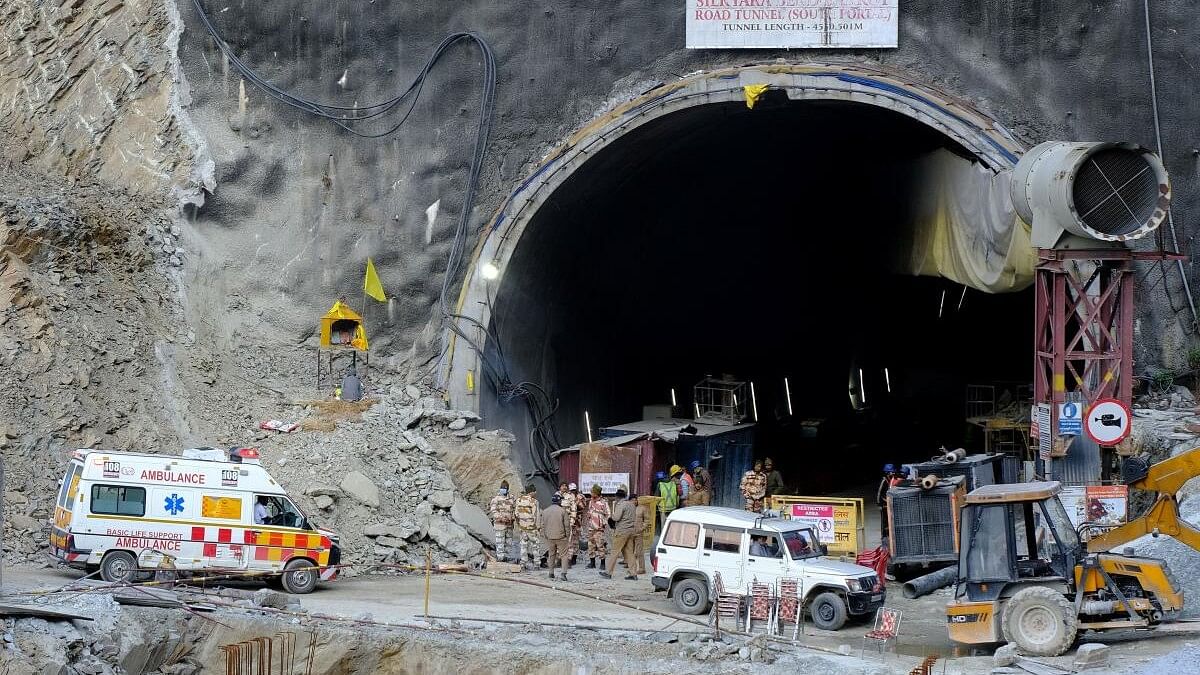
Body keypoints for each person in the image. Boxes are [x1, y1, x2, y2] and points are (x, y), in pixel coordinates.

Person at [602, 486, 638, 580]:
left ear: (617, 497)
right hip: (631, 531)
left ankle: (608, 572)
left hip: (622, 531)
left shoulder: (621, 505)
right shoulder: (631, 504)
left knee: (614, 551)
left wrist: (610, 518)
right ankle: (633, 573)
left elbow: (616, 518)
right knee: (629, 553)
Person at [541, 493, 571, 580]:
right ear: (559, 501)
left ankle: (551, 573)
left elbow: (542, 525)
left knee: (551, 555)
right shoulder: (563, 511)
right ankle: (563, 574)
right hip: (561, 537)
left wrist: (545, 535)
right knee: (564, 555)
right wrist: (567, 536)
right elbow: (567, 526)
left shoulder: (545, 511)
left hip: (550, 537)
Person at [514, 484, 542, 570]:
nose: (536, 492)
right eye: (534, 491)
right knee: (535, 546)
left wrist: (520, 524)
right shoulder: (534, 501)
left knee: (523, 546)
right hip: (532, 528)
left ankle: (523, 564)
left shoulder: (519, 500)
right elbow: (536, 515)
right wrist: (538, 527)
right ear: (531, 492)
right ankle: (537, 564)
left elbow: (516, 514)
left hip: (522, 527)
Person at [488, 480, 516, 562]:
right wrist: (501, 518)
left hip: (509, 525)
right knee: (500, 543)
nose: (503, 489)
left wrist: (512, 517)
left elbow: (515, 510)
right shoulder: (496, 499)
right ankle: (500, 560)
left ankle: (507, 559)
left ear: (507, 489)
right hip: (500, 525)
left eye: (505, 488)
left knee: (509, 543)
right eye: (502, 488)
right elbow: (493, 511)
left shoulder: (512, 499)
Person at [585, 485, 610, 569]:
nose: (591, 494)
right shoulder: (591, 502)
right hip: (591, 528)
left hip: (599, 529)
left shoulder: (603, 502)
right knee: (590, 545)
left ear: (596, 493)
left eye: (592, 492)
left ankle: (603, 564)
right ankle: (592, 563)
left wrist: (603, 524)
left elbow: (608, 514)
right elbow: (589, 511)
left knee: (600, 546)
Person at [877, 464, 902, 540]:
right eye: (892, 472)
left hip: (888, 504)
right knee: (884, 521)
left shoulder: (891, 480)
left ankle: (889, 535)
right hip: (884, 505)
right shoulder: (884, 480)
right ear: (887, 472)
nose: (893, 473)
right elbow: (879, 493)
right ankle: (884, 536)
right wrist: (879, 504)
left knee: (889, 520)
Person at [560, 482, 581, 564]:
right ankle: (561, 559)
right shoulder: (561, 496)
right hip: (561, 522)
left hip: (573, 522)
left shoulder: (575, 497)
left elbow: (575, 510)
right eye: (571, 490)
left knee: (571, 541)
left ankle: (570, 559)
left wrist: (572, 522)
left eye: (574, 490)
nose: (573, 492)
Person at [632, 493, 650, 575]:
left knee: (639, 551)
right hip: (629, 532)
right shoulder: (628, 509)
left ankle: (642, 568)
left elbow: (647, 520)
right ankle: (631, 567)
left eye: (635, 499)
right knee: (629, 551)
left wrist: (642, 528)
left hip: (638, 532)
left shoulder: (642, 508)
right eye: (632, 500)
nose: (634, 501)